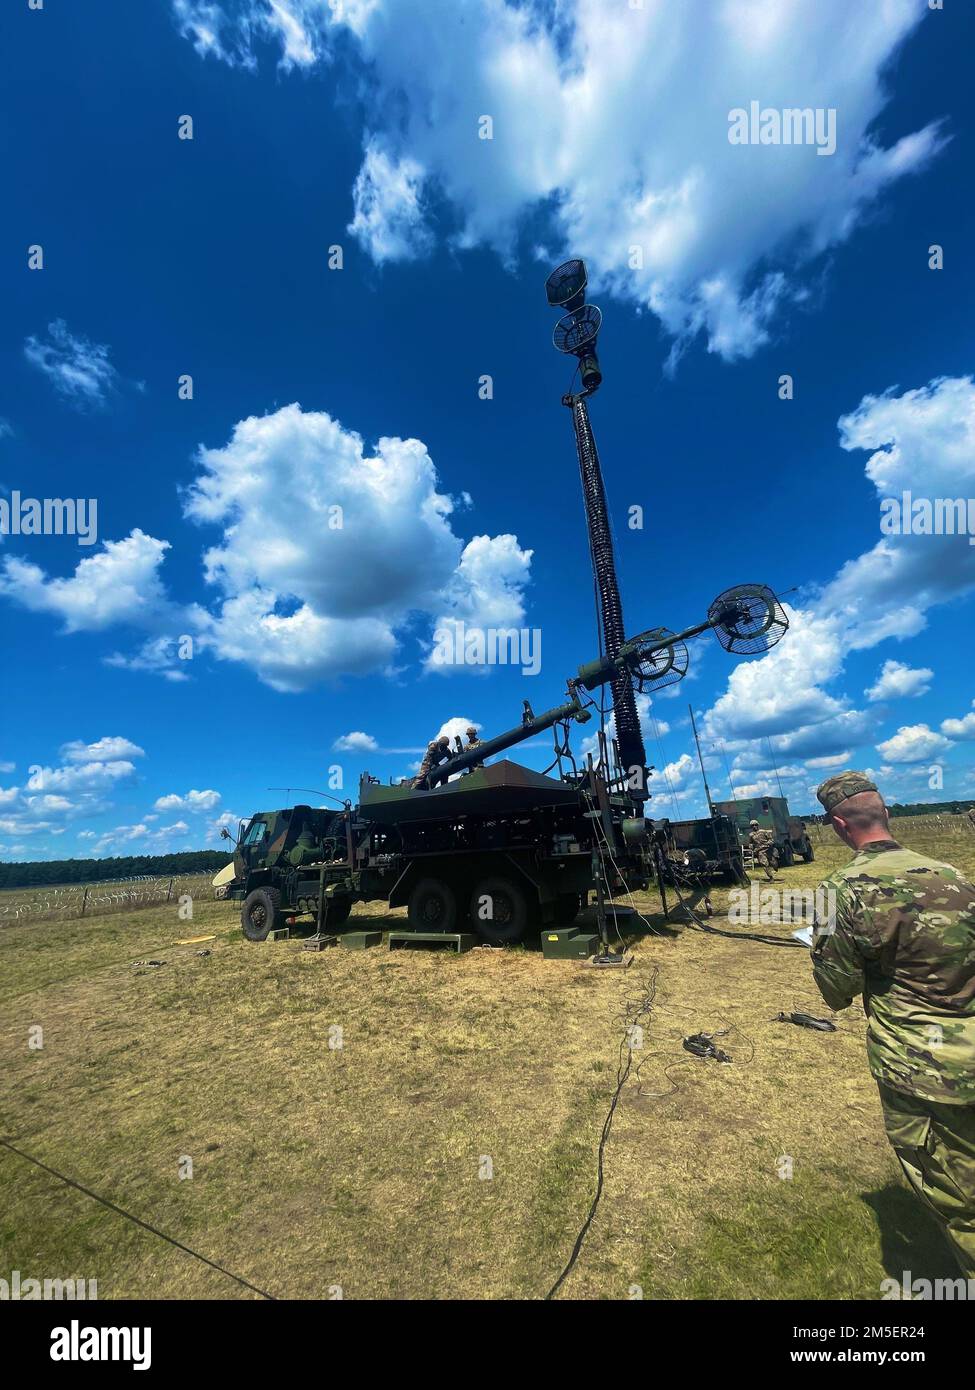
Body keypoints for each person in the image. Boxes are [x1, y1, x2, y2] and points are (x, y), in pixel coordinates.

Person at [810, 770, 975, 1276]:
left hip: (920, 1070)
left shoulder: (841, 890)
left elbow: (837, 993)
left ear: (839, 825)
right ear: (884, 813)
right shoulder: (950, 872)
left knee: (959, 1202)